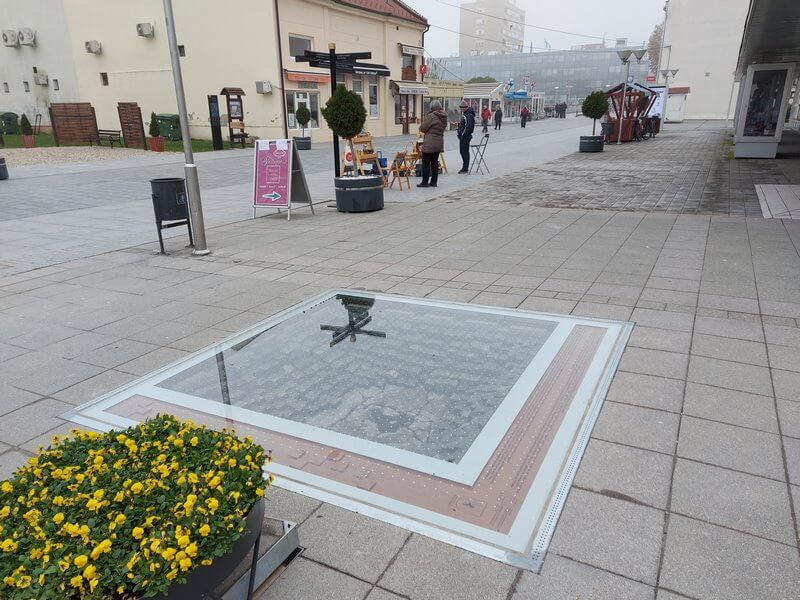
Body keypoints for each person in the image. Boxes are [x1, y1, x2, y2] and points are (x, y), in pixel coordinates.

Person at [417, 100, 447, 188]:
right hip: (439, 142)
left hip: (429, 143)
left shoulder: (431, 116)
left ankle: (425, 182)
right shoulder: (444, 117)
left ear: (432, 108)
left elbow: (422, 128)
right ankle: (434, 182)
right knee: (434, 163)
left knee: (425, 163)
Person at [456, 100, 475, 174]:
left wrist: (462, 135)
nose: (460, 109)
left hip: (465, 137)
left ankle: (465, 167)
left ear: (465, 108)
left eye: (461, 108)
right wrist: (459, 125)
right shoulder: (466, 114)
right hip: (464, 137)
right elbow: (465, 125)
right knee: (463, 152)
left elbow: (468, 127)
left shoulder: (468, 115)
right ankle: (465, 167)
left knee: (464, 152)